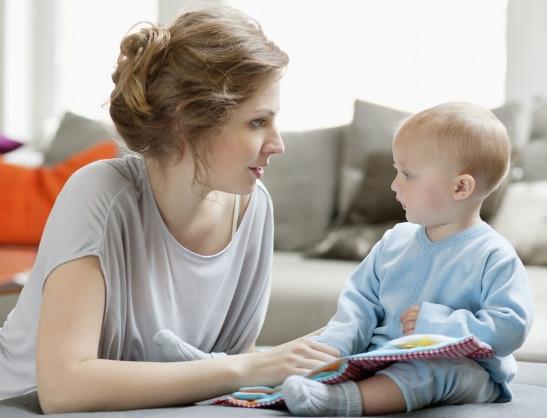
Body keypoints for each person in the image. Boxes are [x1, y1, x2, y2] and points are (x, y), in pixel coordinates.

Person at [0, 7, 338, 413]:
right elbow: (63, 389)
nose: (277, 144)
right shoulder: (101, 193)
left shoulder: (254, 206)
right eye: (256, 122)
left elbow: (230, 365)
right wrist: (252, 366)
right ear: (187, 119)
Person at [281, 102, 534, 416]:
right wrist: (334, 346)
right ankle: (323, 384)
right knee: (330, 361)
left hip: (465, 370)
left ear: (460, 186)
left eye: (407, 174)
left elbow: (510, 327)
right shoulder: (394, 241)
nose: (394, 184)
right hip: (384, 356)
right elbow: (359, 303)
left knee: (433, 371)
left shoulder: (494, 255)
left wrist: (435, 324)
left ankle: (343, 402)